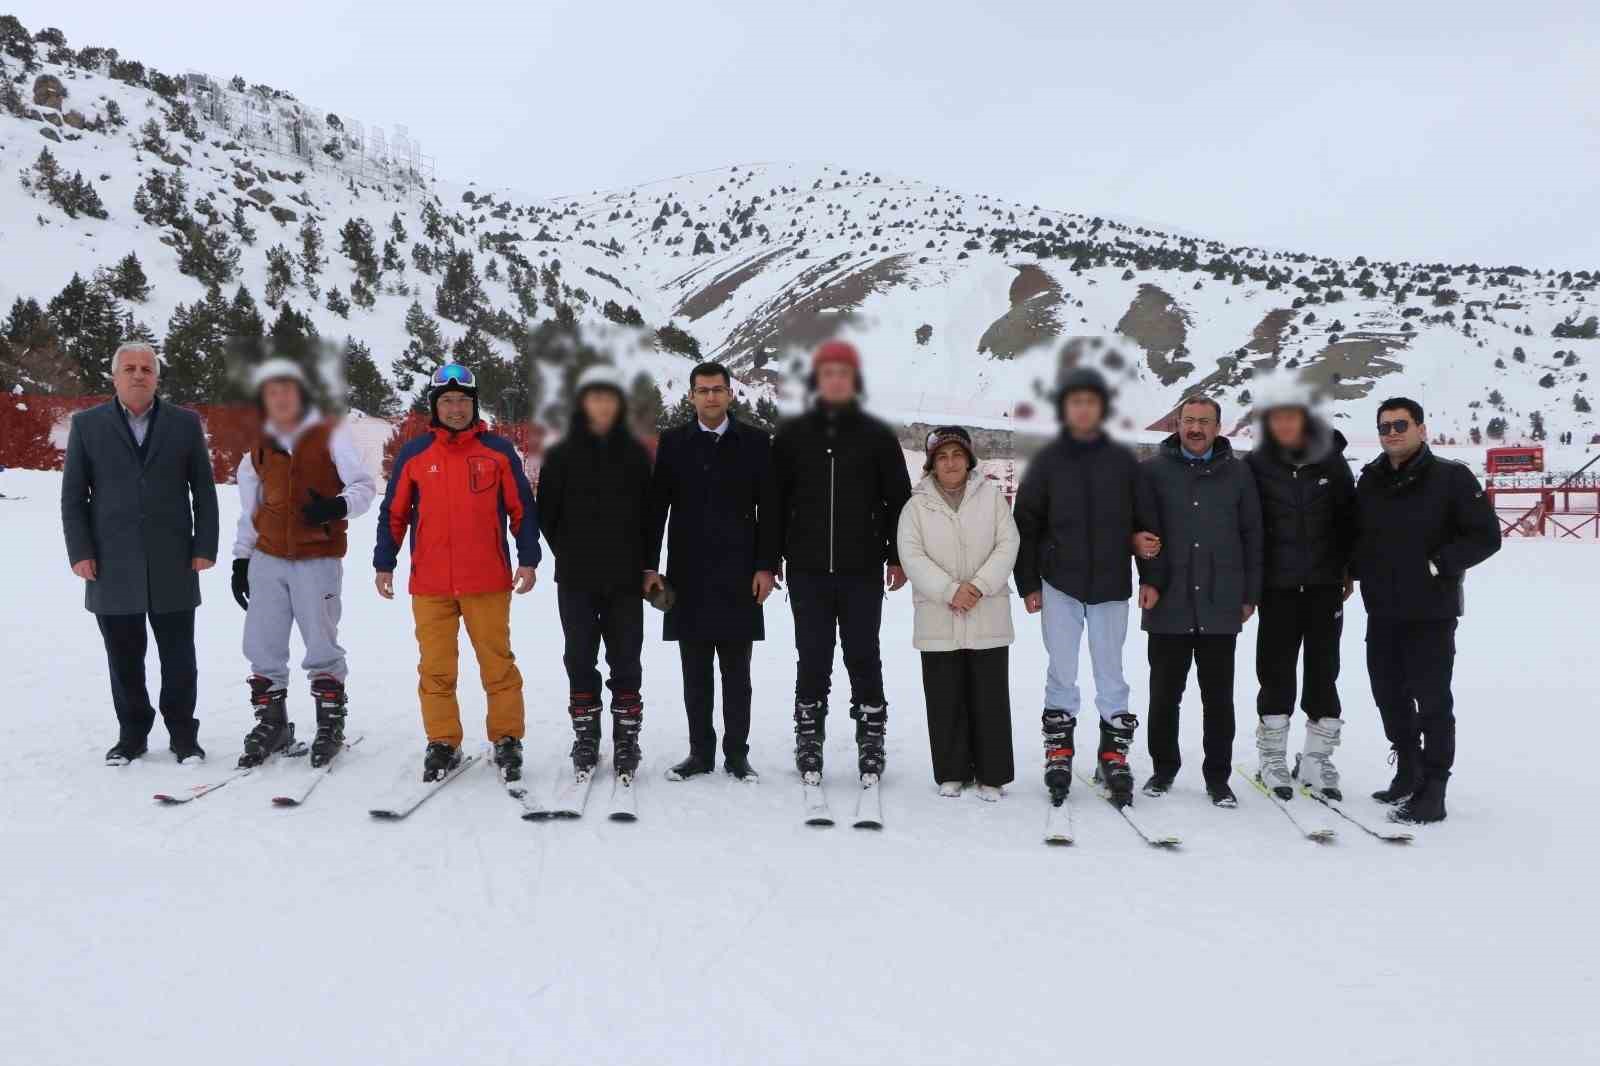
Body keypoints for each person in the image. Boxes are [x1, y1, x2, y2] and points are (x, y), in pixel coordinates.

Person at [373, 363, 540, 782]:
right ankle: (442, 741)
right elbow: (393, 513)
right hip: (430, 585)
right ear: (434, 406)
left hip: (487, 580)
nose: (455, 408)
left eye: (462, 401)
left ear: (474, 404)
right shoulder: (415, 455)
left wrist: (529, 557)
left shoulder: (498, 451)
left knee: (497, 664)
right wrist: (384, 562)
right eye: (446, 401)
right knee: (435, 669)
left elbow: (522, 508)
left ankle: (507, 740)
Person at [61, 340, 219, 765]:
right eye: (129, 368)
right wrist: (80, 551)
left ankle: (184, 735)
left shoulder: (185, 424)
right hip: (111, 566)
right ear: (114, 377)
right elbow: (73, 497)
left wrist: (204, 546)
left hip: (174, 561)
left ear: (157, 377)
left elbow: (203, 490)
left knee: (179, 657)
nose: (137, 375)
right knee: (124, 659)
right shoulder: (87, 426)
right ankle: (132, 735)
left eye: (146, 369)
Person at [771, 340, 912, 787]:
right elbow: (773, 503)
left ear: (854, 381)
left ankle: (871, 734)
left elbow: (898, 500)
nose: (835, 380)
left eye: (843, 373)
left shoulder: (875, 434)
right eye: (827, 373)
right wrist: (769, 556)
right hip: (808, 567)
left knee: (863, 653)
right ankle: (808, 735)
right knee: (811, 655)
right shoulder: (793, 435)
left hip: (861, 567)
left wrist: (897, 555)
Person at [1351, 397, 1500, 823]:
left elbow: (1486, 536)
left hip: (1431, 613)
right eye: (1385, 427)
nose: (1392, 433)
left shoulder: (1451, 477)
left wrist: (1439, 564)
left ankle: (1434, 788)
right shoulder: (1371, 479)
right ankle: (1409, 768)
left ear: (1421, 428)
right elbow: (1358, 535)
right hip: (1382, 610)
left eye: (1401, 424)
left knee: (1432, 700)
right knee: (1388, 694)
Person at [1013, 362, 1154, 809]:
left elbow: (1145, 526)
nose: (1083, 409)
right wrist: (1029, 581)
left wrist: (1149, 575)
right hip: (1060, 583)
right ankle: (1059, 750)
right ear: (1065, 408)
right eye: (1076, 402)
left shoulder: (1123, 461)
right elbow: (1027, 524)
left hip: (1112, 583)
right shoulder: (1048, 460)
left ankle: (1114, 754)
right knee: (1062, 668)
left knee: (1111, 671)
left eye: (1091, 402)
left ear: (1101, 408)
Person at [229, 358, 376, 769]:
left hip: (317, 558)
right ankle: (272, 723)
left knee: (321, 641)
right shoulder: (259, 446)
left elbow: (365, 488)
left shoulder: (330, 434)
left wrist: (337, 505)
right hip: (268, 558)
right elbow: (249, 510)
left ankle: (330, 723)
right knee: (263, 643)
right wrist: (242, 559)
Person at [645, 362, 780, 782]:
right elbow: (656, 509)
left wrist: (766, 567)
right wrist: (650, 566)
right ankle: (700, 753)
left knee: (737, 674)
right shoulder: (672, 443)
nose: (710, 397)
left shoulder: (756, 442)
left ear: (730, 394)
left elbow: (771, 511)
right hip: (687, 574)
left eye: (718, 390)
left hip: (741, 575)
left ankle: (737, 755)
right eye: (702, 391)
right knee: (695, 673)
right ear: (691, 397)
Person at [1135, 395, 1263, 807]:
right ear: (1176, 422)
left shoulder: (1239, 475)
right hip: (1168, 600)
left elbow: (1253, 537)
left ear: (1218, 426)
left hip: (1220, 602)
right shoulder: (1152, 472)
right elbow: (1141, 531)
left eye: (1204, 422)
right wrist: (1146, 571)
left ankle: (1217, 776)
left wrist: (1249, 593)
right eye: (1189, 420)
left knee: (1218, 698)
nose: (1196, 428)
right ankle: (1163, 767)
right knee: (1164, 694)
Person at [538, 364, 654, 784]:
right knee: (579, 658)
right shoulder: (561, 454)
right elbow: (546, 516)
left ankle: (627, 738)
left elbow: (650, 519)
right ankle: (585, 737)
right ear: (582, 405)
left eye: (609, 398)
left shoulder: (637, 455)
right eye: (594, 397)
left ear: (619, 406)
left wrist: (646, 566)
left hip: (626, 580)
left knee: (626, 659)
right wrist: (570, 552)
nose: (602, 405)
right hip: (576, 578)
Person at [1244, 383, 1357, 800]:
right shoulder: (1256, 465)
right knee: (1274, 671)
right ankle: (1271, 757)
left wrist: (1349, 570)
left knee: (1324, 671)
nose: (1285, 424)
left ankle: (1316, 759)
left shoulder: (1331, 461)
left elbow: (1350, 518)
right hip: (1277, 587)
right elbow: (1248, 526)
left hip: (1325, 586)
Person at [896, 426, 1019, 799]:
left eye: (957, 455)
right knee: (944, 695)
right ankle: (951, 770)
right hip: (939, 612)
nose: (951, 462)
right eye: (942, 457)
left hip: (986, 608)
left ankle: (991, 773)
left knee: (989, 696)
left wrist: (979, 585)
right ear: (932, 464)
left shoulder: (992, 497)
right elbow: (911, 554)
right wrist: (950, 590)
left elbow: (1008, 542)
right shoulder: (916, 505)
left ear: (969, 460)